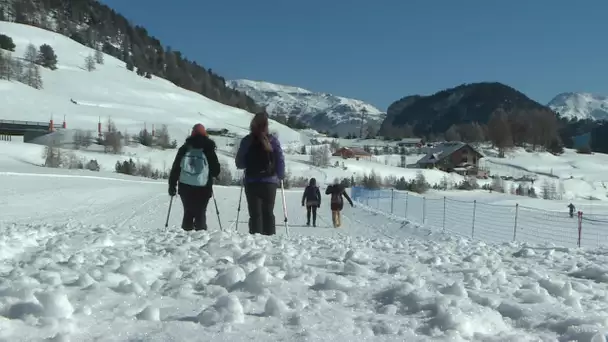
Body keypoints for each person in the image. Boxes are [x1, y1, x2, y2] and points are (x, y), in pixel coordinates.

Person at [235, 111, 285, 235]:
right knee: (268, 213)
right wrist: (280, 175)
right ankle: (271, 243)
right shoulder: (273, 141)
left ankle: (256, 244)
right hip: (270, 182)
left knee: (255, 214)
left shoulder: (247, 140)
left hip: (252, 181)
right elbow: (280, 159)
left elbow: (239, 163)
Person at [168, 123, 220, 231]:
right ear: (205, 134)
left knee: (188, 212)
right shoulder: (208, 148)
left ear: (192, 133)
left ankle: (186, 240)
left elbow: (176, 168)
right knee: (200, 213)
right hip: (204, 186)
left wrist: (172, 185)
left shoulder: (185, 148)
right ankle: (200, 240)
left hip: (185, 185)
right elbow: (216, 171)